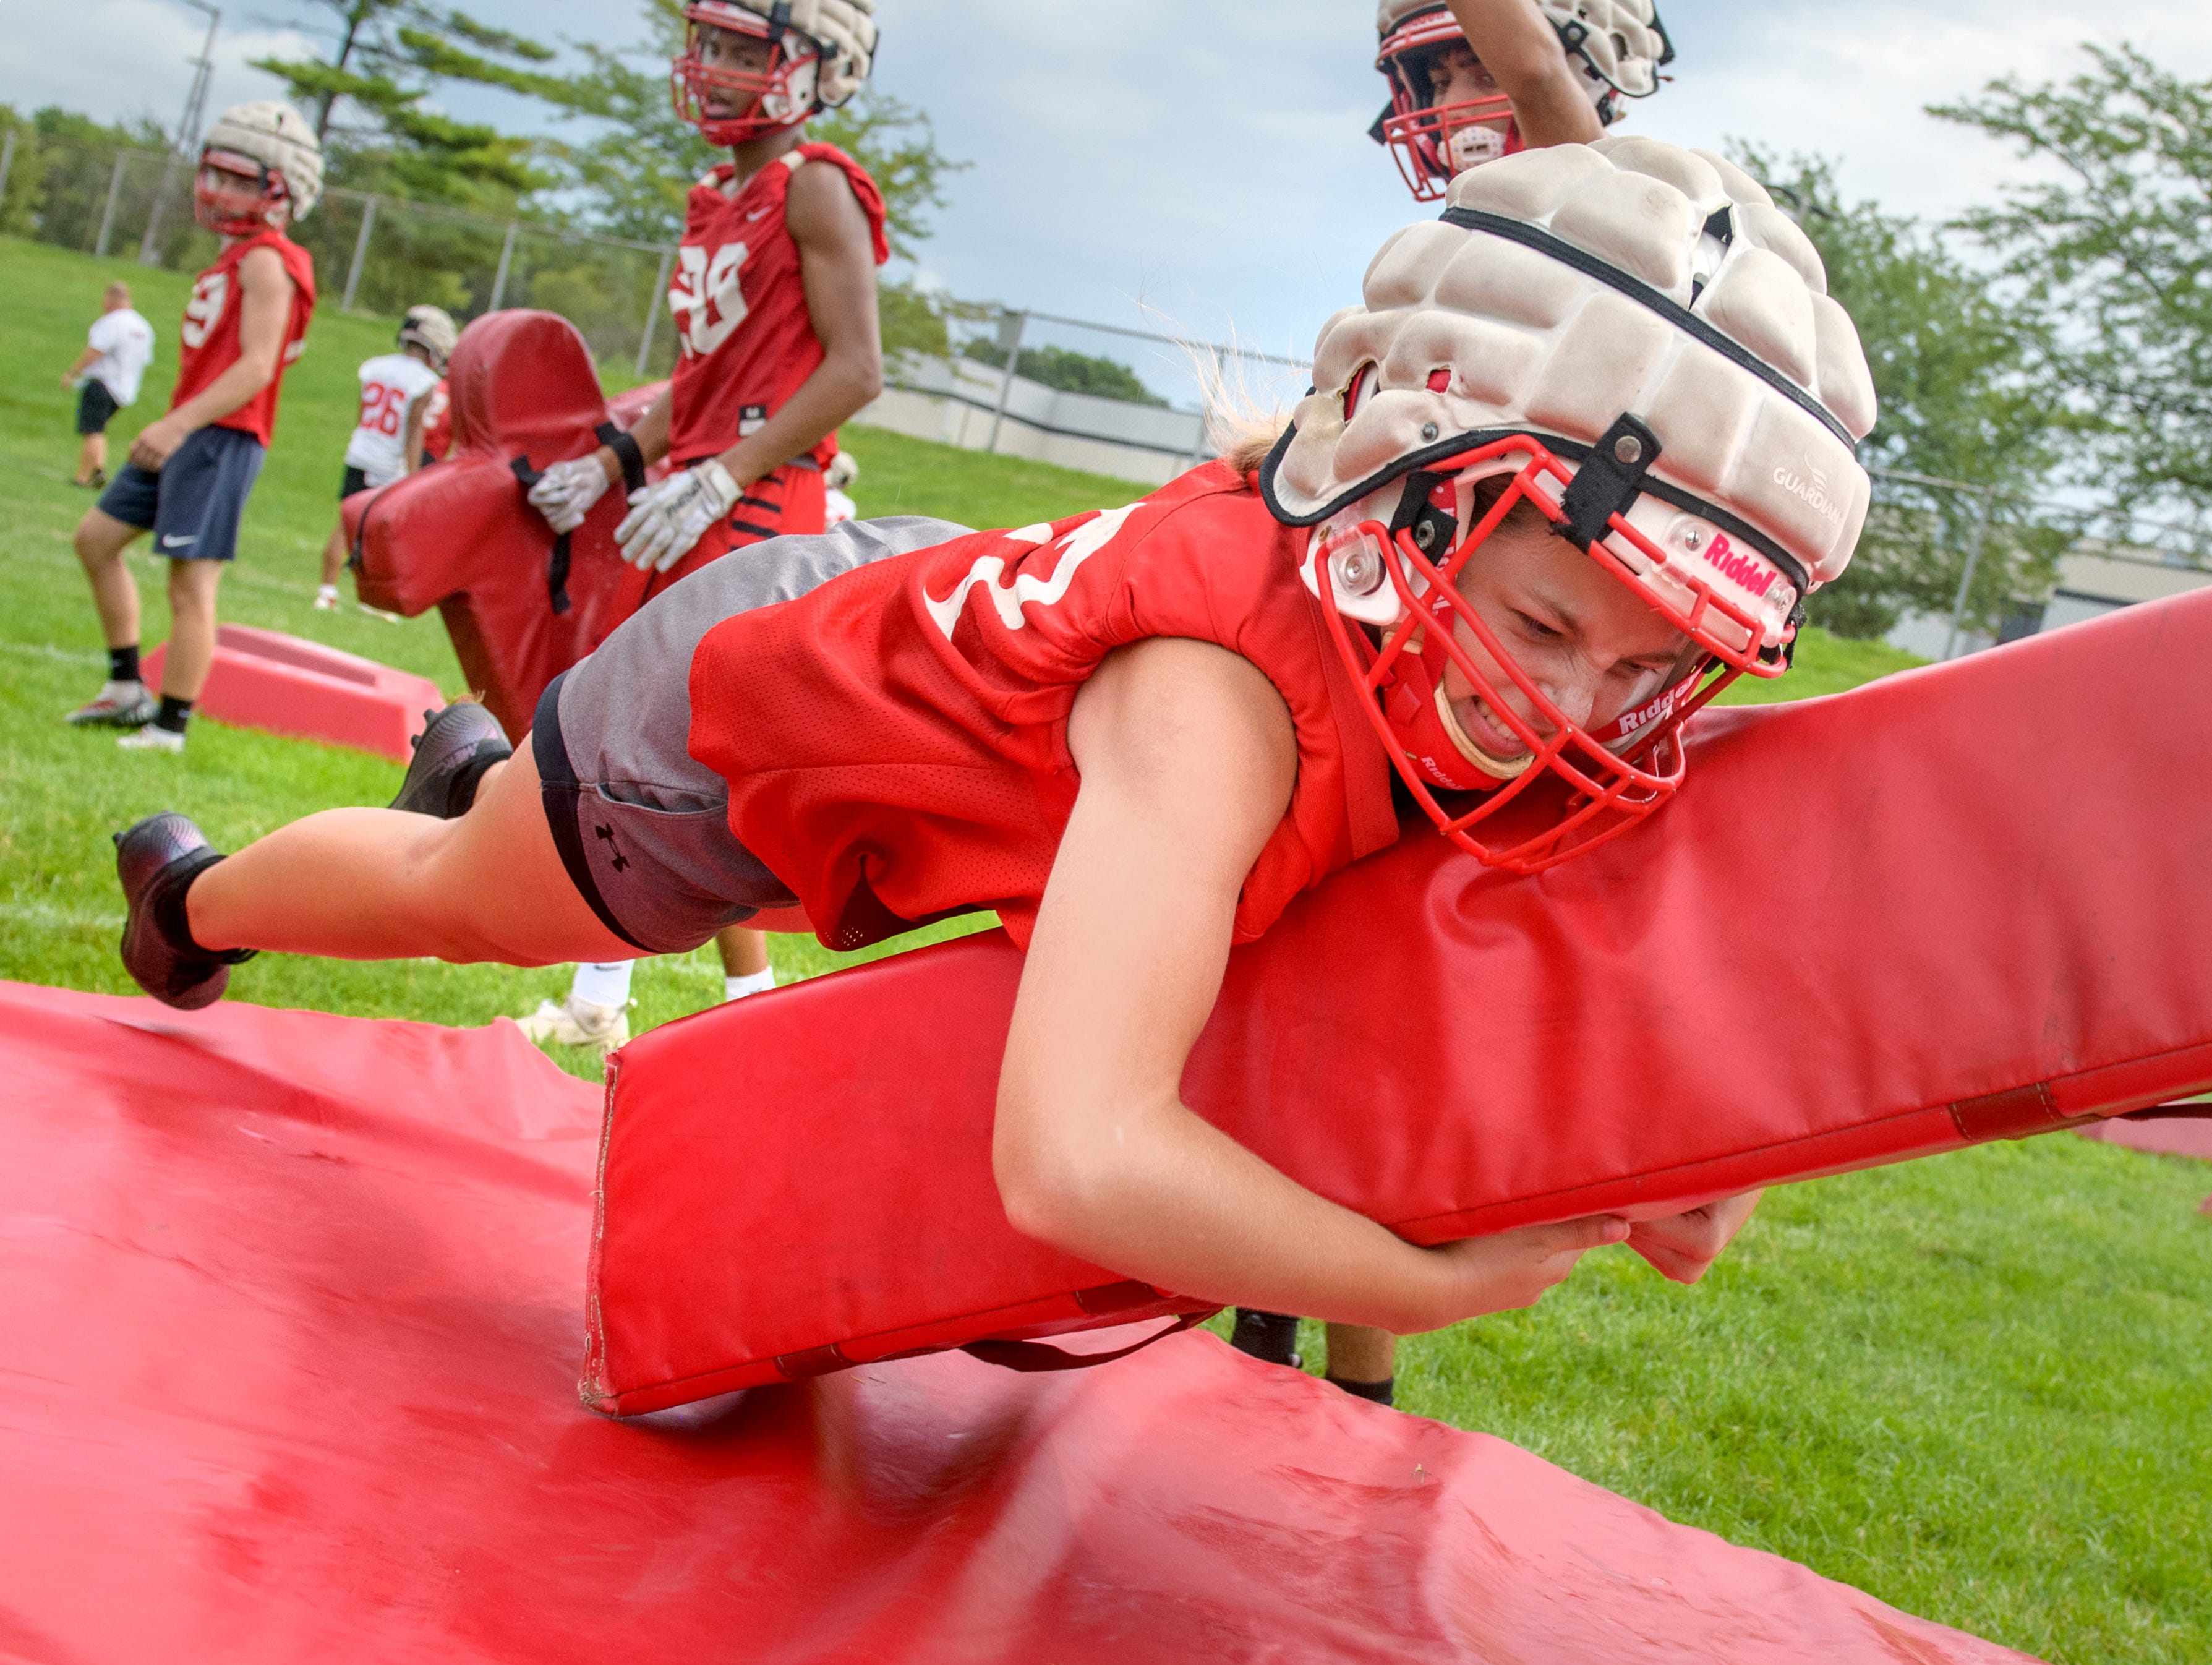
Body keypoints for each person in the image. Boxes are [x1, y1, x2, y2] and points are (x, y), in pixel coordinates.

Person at [108, 141, 1876, 1359]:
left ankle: (481, 775)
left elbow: (1496, 957)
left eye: (1647, 665)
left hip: (966, 660)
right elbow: (1078, 1159)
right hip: (750, 724)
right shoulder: (1215, 712)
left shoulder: (1445, 618)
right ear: (1390, 482)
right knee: (480, 898)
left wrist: (1666, 1151)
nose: (1565, 712)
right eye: (1550, 626)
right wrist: (1416, 1284)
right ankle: (191, 899)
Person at [1291, 0, 1678, 1402]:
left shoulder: (1607, 214)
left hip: (1496, 687)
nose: (1447, 93)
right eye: (1427, 70)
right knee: (1285, 1010)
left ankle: (1351, 1383)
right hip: (1379, 655)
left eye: (1464, 61)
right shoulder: (1466, 255)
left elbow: (1529, 64)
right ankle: (1280, 1334)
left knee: (1366, 1035)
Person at [514, 0, 887, 1048]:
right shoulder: (714, 195)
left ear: (817, 68)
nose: (716, 68)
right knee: (639, 758)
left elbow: (858, 368)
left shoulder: (814, 185)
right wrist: (612, 459)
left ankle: (715, 1012)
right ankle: (624, 997)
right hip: (700, 491)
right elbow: (705, 374)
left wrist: (726, 476)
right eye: (709, 45)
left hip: (758, 498)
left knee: (670, 761)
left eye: (744, 50)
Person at [64, 101, 321, 753]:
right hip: (191, 428)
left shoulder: (270, 259)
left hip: (219, 434)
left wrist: (177, 424)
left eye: (242, 181)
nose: (222, 192)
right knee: (95, 539)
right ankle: (126, 687)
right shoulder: (235, 257)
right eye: (218, 176)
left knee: (190, 583)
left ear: (282, 190)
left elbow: (259, 366)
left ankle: (169, 727)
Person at [1373, 0, 1673, 198]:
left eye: (1490, 76)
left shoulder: (1622, 196)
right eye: (1439, 84)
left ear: (1588, 79)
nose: (1450, 108)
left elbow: (1536, 73)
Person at [317, 306, 459, 610]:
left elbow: (364, 417)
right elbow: (413, 433)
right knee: (382, 534)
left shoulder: (374, 367)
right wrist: (412, 475)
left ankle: (326, 591)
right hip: (390, 463)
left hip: (361, 453)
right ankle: (371, 599)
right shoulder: (424, 381)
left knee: (345, 524)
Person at [61, 282, 154, 489]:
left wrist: (73, 373)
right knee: (97, 429)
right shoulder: (143, 327)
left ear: (112, 299)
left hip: (102, 383)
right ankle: (82, 476)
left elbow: (96, 350)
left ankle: (98, 469)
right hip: (125, 389)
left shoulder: (112, 322)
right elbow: (144, 360)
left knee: (92, 429)